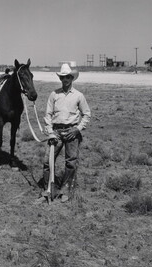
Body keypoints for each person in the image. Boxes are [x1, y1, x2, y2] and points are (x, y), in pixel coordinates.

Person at [41, 63, 91, 202]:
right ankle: (47, 189)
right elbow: (48, 115)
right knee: (47, 162)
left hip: (72, 132)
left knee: (71, 163)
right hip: (56, 132)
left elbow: (86, 114)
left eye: (68, 77)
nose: (65, 79)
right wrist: (50, 132)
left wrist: (77, 129)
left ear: (72, 78)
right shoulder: (54, 94)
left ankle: (65, 190)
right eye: (63, 77)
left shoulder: (79, 96)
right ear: (60, 78)